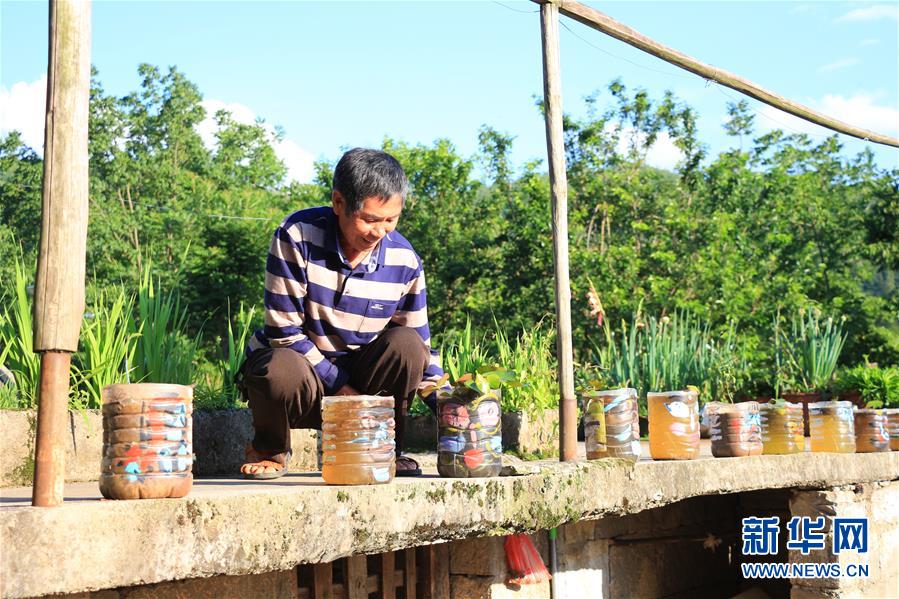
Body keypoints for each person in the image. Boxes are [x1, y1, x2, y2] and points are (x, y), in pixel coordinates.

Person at [238, 148, 446, 479]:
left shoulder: (404, 260)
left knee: (407, 345)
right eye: (370, 219)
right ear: (338, 203)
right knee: (276, 367)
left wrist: (450, 408)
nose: (380, 232)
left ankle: (385, 450)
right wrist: (343, 389)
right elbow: (283, 331)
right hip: (303, 382)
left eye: (391, 220)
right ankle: (270, 450)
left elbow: (421, 347)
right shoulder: (297, 236)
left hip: (365, 389)